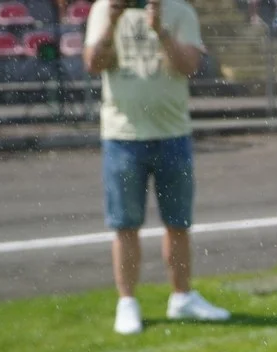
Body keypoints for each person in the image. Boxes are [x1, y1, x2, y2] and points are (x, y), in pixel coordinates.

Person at [84, 0, 231, 335]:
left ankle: (182, 296)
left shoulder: (180, 10)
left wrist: (161, 31)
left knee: (177, 222)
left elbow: (189, 65)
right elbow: (93, 63)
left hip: (172, 134)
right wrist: (111, 22)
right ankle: (127, 302)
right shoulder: (103, 8)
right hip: (123, 135)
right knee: (125, 225)